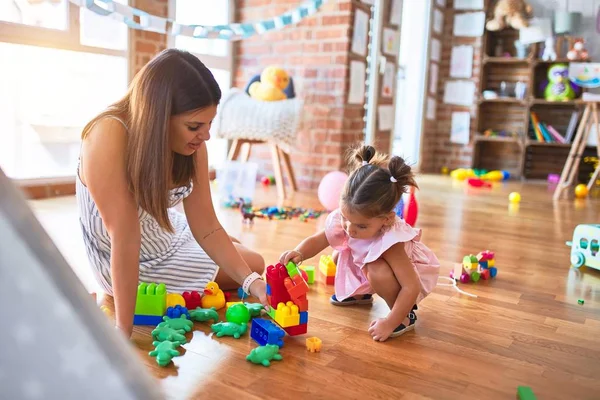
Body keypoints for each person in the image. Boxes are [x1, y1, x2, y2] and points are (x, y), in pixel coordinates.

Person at [76, 49, 268, 337]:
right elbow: (125, 238)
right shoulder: (108, 134)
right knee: (253, 261)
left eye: (209, 124)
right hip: (129, 257)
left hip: (162, 234)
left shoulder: (193, 146)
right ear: (158, 116)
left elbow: (206, 225)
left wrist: (254, 283)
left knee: (248, 263)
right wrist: (122, 332)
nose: (205, 136)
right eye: (195, 126)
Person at [280, 144, 440, 341]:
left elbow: (411, 286)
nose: (349, 228)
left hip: (402, 280)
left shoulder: (391, 240)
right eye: (345, 218)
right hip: (366, 262)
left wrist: (389, 322)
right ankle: (360, 294)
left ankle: (405, 316)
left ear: (386, 219)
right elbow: (318, 240)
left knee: (376, 270)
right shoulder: (352, 219)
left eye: (361, 226)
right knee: (338, 254)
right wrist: (299, 253)